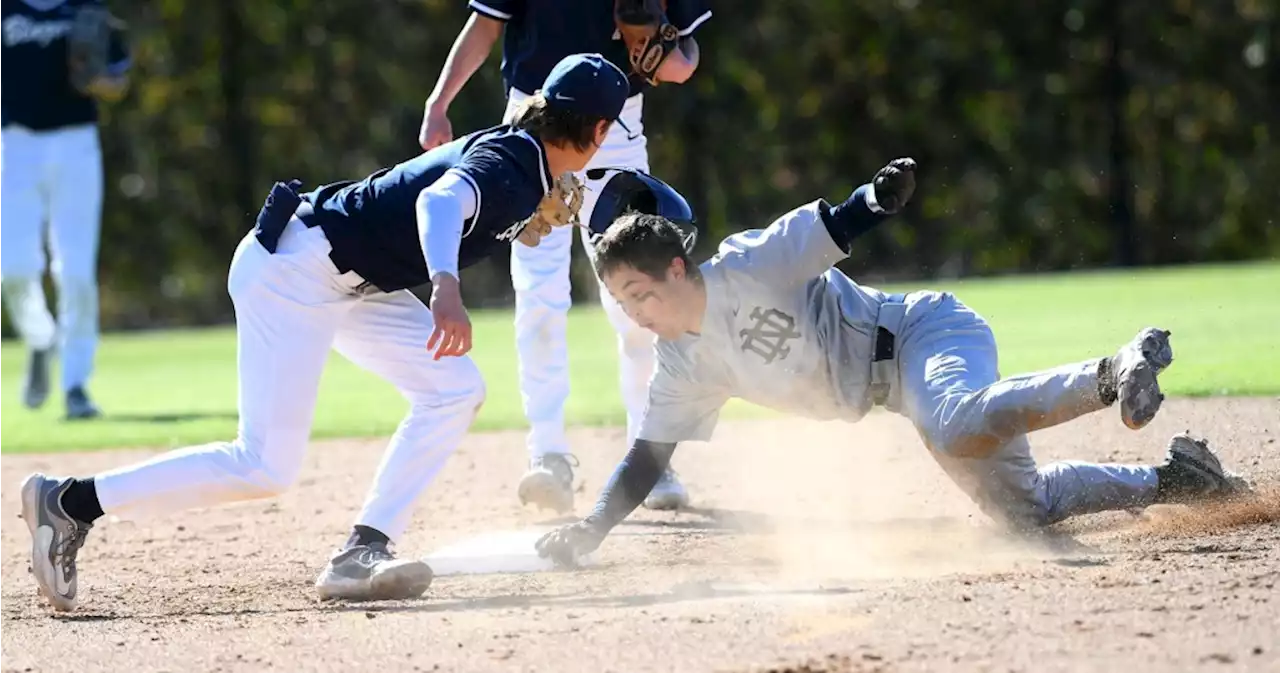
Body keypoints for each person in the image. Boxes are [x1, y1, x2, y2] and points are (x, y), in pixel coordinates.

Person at [18, 53, 632, 611]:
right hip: (295, 272)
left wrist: (514, 222)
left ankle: (361, 551)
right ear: (599, 131)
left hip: (349, 278)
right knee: (263, 466)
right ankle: (70, 503)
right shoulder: (509, 167)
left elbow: (459, 202)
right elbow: (438, 204)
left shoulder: (518, 162)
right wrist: (446, 284)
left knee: (453, 388)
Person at [532, 159, 1253, 566]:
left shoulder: (746, 265)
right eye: (618, 298)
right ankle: (1179, 476)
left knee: (956, 422)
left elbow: (827, 228)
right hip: (895, 387)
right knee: (1024, 511)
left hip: (921, 335)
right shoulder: (681, 365)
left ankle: (1115, 369)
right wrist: (592, 528)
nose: (630, 309)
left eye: (636, 291)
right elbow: (646, 458)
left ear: (678, 269)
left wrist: (875, 198)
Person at [417, 0, 713, 514]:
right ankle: (548, 452)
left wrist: (657, 48)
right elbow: (486, 24)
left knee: (640, 302)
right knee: (539, 295)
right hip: (532, 123)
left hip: (615, 130)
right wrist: (439, 101)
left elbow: (683, 61)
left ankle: (651, 456)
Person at [0, 0, 132, 419]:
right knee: (14, 270)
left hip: (76, 144)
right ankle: (41, 338)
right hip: (15, 145)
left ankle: (76, 384)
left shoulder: (85, 9)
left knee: (75, 272)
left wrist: (98, 81)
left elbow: (118, 80)